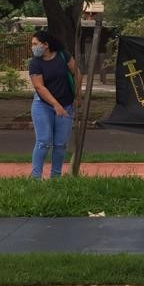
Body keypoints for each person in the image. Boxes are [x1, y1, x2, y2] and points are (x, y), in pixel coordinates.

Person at [28, 29, 81, 179]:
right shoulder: (35, 64)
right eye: (32, 44)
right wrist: (55, 104)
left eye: (35, 44)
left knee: (60, 144)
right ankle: (36, 177)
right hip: (43, 106)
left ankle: (56, 177)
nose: (33, 47)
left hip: (67, 106)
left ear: (46, 44)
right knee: (44, 141)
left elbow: (76, 73)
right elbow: (39, 87)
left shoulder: (64, 56)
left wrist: (78, 96)